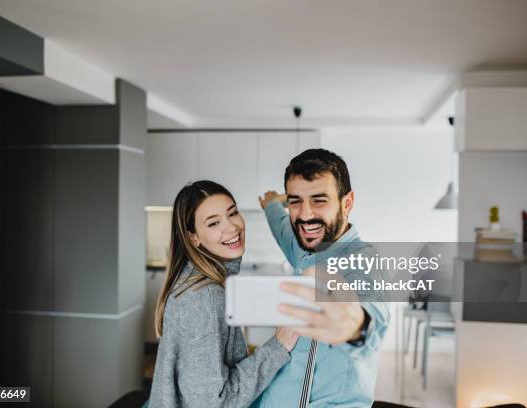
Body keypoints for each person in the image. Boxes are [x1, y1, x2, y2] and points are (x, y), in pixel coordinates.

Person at [254, 148, 390, 407]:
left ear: (346, 203)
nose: (305, 215)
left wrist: (355, 325)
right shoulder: (302, 246)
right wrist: (272, 203)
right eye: (295, 201)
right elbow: (279, 222)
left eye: (319, 200)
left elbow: (373, 318)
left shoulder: (362, 260)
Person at [147, 180, 298, 408]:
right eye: (213, 223)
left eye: (233, 213)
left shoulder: (198, 280)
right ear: (193, 237)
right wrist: (277, 346)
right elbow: (214, 403)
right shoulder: (204, 298)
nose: (232, 227)